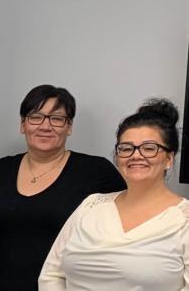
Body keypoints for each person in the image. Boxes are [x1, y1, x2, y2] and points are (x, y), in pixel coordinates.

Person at [0, 85, 124, 291]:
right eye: (36, 117)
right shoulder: (0, 170)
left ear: (69, 127)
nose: (45, 126)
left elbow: (129, 222)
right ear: (23, 124)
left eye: (56, 119)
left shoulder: (96, 172)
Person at [39, 98, 189, 290]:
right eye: (126, 148)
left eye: (149, 148)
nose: (136, 155)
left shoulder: (184, 220)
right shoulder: (91, 206)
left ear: (169, 158)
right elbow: (51, 274)